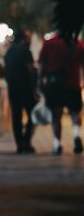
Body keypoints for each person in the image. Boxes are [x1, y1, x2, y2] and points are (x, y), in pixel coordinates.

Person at [38, 20, 84, 155]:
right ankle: (76, 136)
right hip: (73, 84)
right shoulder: (78, 44)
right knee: (75, 113)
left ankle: (57, 144)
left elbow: (41, 65)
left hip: (55, 85)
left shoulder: (49, 43)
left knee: (56, 116)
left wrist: (40, 82)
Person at [4, 28, 37, 154]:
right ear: (23, 38)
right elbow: (31, 69)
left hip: (12, 88)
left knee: (16, 116)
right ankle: (26, 141)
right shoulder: (25, 50)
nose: (30, 39)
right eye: (28, 37)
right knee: (32, 114)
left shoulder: (9, 51)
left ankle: (19, 144)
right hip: (26, 88)